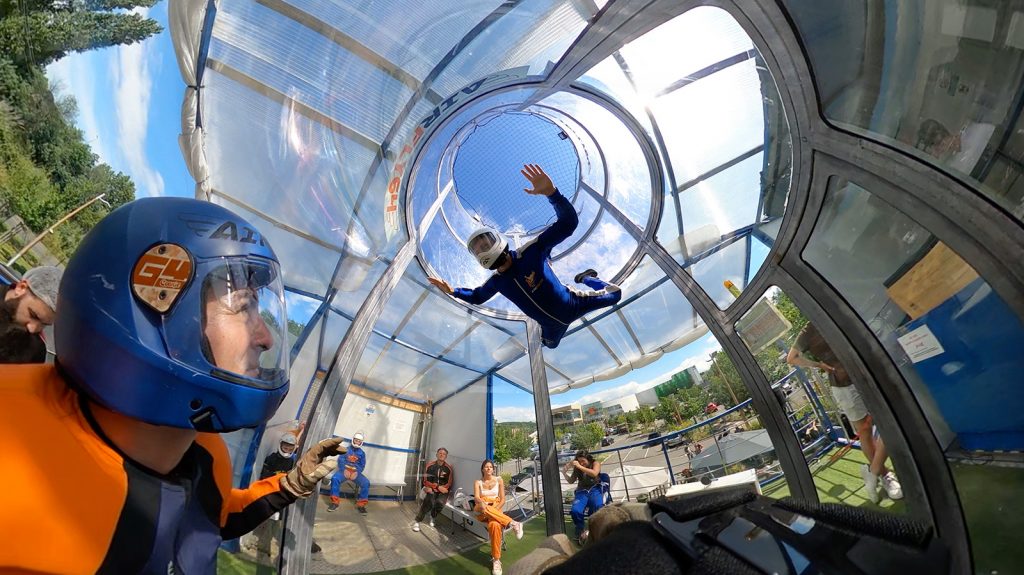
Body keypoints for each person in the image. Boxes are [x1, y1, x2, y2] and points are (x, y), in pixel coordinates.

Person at [0, 197, 344, 573]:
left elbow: (216, 517)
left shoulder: (205, 451)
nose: (266, 339)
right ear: (156, 317)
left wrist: (290, 484)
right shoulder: (11, 440)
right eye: (243, 306)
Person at [428, 164, 622, 349]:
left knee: (616, 294)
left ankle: (587, 278)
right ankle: (544, 336)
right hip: (551, 326)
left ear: (498, 241)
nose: (483, 251)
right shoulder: (497, 282)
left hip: (573, 304)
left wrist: (552, 194)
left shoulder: (530, 251)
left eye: (485, 244)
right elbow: (477, 296)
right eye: (478, 250)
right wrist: (453, 291)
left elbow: (568, 224)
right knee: (550, 345)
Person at [787, 322, 903, 504]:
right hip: (845, 384)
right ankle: (884, 474)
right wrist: (819, 365)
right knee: (865, 430)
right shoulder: (809, 330)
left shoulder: (824, 318)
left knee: (889, 424)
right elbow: (791, 358)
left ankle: (872, 473)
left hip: (863, 375)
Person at [253, 425, 322, 555]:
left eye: (291, 447)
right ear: (280, 445)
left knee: (297, 515)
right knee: (272, 520)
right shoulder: (271, 459)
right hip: (273, 496)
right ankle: (264, 544)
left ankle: (304, 542)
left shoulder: (293, 461)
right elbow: (264, 477)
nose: (287, 449)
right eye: (285, 446)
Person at [0, 265, 62, 363]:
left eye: (44, 324)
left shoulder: (35, 350)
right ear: (21, 287)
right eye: (33, 315)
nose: (33, 329)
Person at [475, 459, 524, 575]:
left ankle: (496, 560)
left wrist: (494, 511)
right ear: (482, 469)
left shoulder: (499, 480)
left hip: (495, 508)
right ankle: (513, 523)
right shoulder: (478, 482)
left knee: (495, 525)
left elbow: (503, 499)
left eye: (490, 467)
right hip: (481, 508)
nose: (488, 469)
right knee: (482, 507)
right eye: (486, 467)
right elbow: (477, 497)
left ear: (493, 469)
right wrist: (482, 503)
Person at [562, 449, 603, 544]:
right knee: (575, 510)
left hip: (594, 489)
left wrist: (579, 466)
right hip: (581, 491)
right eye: (579, 461)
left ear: (588, 459)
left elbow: (594, 473)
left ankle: (593, 528)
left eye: (583, 461)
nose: (581, 463)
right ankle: (580, 529)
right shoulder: (578, 468)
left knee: (598, 506)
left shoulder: (595, 463)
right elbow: (571, 481)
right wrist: (564, 473)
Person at [412, 447, 454, 532]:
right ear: (436, 454)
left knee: (440, 503)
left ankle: (433, 516)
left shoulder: (448, 468)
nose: (442, 455)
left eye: (444, 454)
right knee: (428, 501)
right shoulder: (430, 466)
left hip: (443, 490)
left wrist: (443, 489)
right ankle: (417, 521)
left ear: (446, 456)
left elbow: (449, 483)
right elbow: (425, 481)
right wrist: (437, 487)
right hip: (431, 489)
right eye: (440, 453)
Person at [329, 431, 371, 514]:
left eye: (359, 441)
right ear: (353, 440)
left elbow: (362, 465)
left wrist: (357, 472)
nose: (357, 442)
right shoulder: (346, 450)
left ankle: (361, 505)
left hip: (355, 473)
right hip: (344, 471)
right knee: (335, 479)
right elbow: (340, 460)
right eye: (356, 440)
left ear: (361, 442)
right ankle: (335, 503)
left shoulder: (362, 453)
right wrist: (344, 470)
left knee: (366, 483)